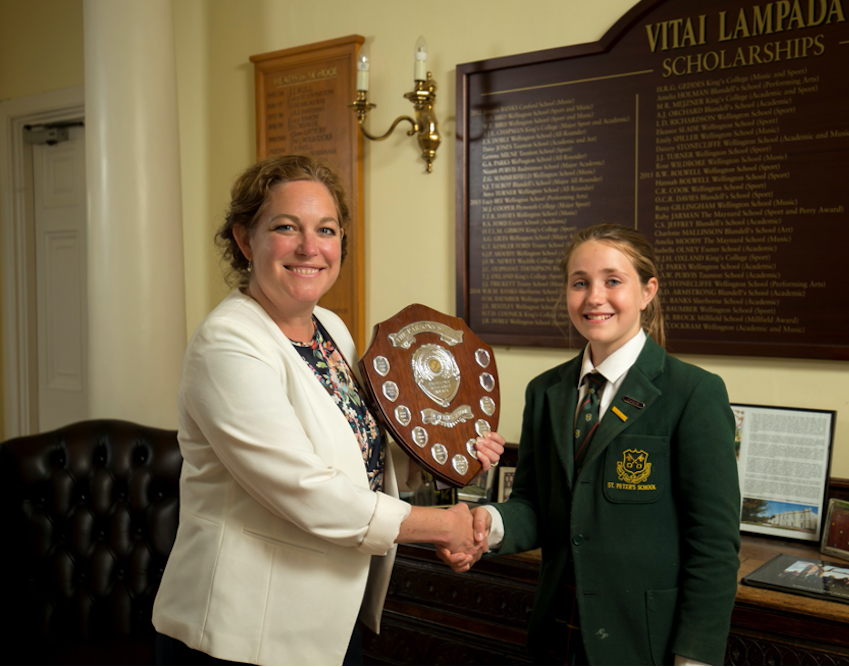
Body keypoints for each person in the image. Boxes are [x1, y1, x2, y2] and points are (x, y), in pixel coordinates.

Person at [151, 155, 503, 665]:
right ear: (245, 240)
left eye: (326, 229)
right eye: (286, 227)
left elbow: (356, 458)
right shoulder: (226, 345)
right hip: (239, 633)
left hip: (328, 621)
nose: (309, 247)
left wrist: (447, 452)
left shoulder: (331, 329)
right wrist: (439, 525)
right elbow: (306, 489)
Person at [443, 224, 741, 665]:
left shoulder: (693, 392)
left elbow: (714, 546)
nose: (594, 297)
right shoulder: (545, 391)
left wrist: (694, 658)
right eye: (580, 283)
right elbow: (535, 507)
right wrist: (489, 522)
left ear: (647, 292)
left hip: (643, 643)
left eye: (613, 281)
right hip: (557, 631)